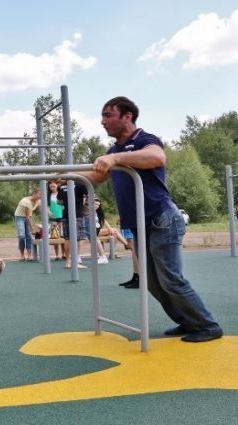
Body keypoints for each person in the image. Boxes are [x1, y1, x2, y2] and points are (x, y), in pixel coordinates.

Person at [83, 96, 222, 343]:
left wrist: (115, 160)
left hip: (161, 218)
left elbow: (156, 157)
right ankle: (188, 321)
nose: (102, 121)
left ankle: (207, 325)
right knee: (152, 282)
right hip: (140, 224)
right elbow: (96, 176)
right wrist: (65, 176)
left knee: (171, 278)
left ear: (127, 117)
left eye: (108, 115)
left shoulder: (145, 140)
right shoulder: (114, 150)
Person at [57, 180, 88, 269]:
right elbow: (89, 196)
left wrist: (67, 202)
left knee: (68, 238)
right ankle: (75, 261)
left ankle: (68, 262)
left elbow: (59, 202)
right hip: (77, 214)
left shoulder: (61, 186)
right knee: (78, 238)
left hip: (66, 214)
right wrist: (83, 203)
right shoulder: (80, 184)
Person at [14, 187, 41, 261]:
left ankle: (29, 255)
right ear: (34, 194)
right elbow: (27, 217)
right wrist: (33, 228)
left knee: (29, 236)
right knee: (22, 235)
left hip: (28, 216)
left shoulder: (38, 200)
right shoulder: (26, 201)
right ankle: (22, 255)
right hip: (19, 217)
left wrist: (50, 214)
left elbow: (43, 208)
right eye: (39, 194)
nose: (40, 196)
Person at [47, 180, 65, 260]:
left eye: (53, 186)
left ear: (57, 185)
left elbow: (63, 204)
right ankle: (57, 255)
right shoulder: (48, 195)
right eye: (51, 187)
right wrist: (49, 211)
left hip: (61, 215)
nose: (52, 188)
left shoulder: (61, 193)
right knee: (55, 235)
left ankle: (64, 254)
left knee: (62, 235)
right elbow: (47, 205)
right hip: (53, 216)